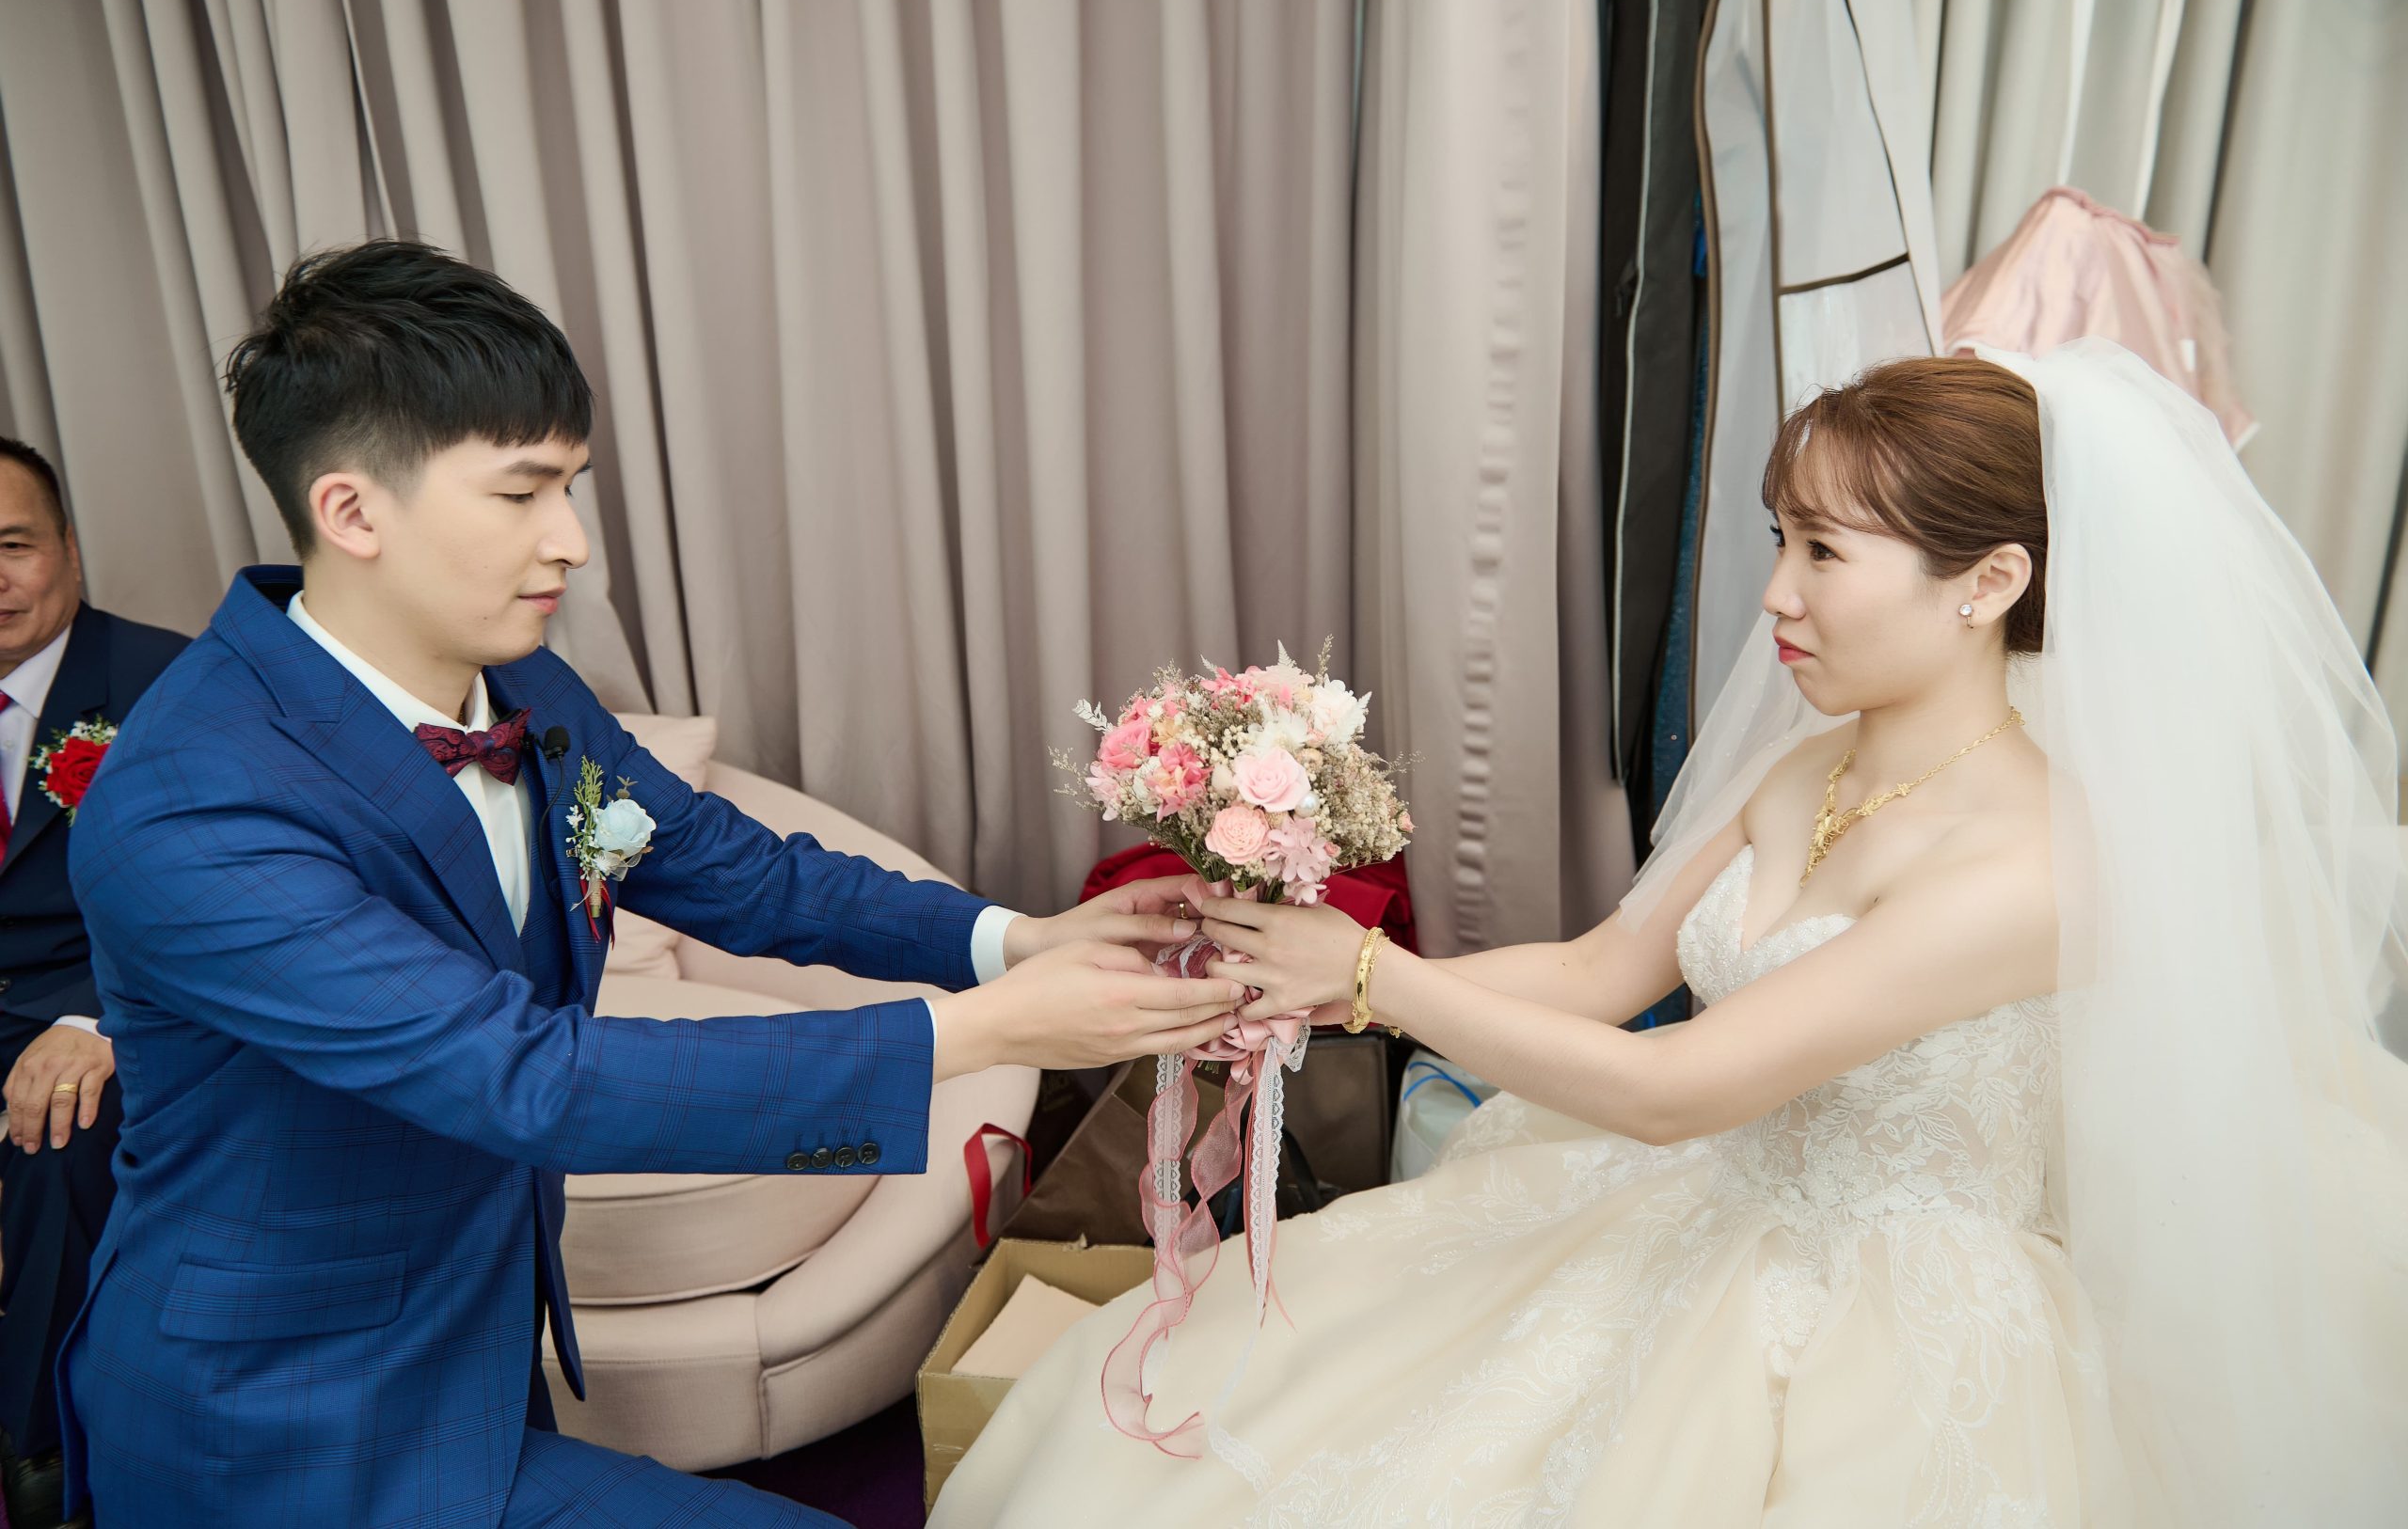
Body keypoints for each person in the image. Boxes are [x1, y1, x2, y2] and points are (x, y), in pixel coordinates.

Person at [932, 343, 2408, 1527]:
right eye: (1779, 538)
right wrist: (1309, 985)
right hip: (1706, 1209)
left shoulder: (2031, 867)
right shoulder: (1808, 766)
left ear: (1989, 582)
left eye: (1825, 550)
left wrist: (1376, 973)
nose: (1775, 594)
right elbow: (1600, 970)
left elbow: (1680, 1083)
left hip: (1884, 1319)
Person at [55, 240, 1245, 1528]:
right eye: (521, 492)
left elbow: (729, 865)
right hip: (271, 1427)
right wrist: (986, 1032)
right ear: (352, 511)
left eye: (570, 485)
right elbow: (524, 1074)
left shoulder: (520, 683)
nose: (570, 541)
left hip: (469, 1357)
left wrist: (1016, 939)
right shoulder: (190, 798)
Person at [0, 437, 184, 1529]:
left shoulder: (168, 682)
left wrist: (99, 1015)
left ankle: (44, 1451)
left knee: (57, 1129)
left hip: (104, 995)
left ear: (69, 548)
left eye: (11, 545)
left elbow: (215, 893)